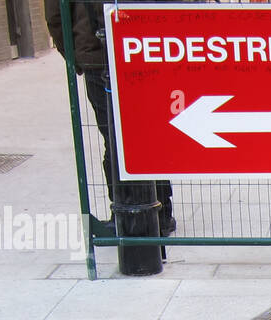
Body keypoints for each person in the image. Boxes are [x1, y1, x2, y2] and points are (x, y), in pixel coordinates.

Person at [44, 0, 175, 236]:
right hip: (142, 51)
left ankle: (124, 218)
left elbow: (56, 16)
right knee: (147, 134)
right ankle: (162, 214)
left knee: (114, 140)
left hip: (97, 57)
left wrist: (76, 57)